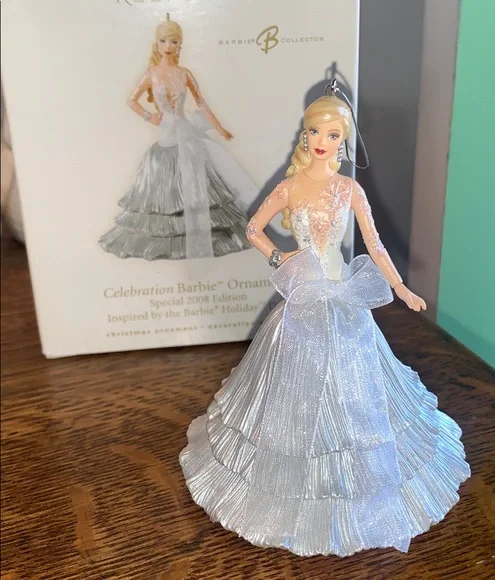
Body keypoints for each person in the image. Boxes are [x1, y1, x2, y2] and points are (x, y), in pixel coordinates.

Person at [179, 91, 470, 557]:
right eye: (315, 131)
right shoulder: (290, 187)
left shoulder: (350, 189)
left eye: (332, 134)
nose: (321, 140)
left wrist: (401, 288)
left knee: (356, 383)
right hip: (304, 297)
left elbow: (374, 245)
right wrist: (280, 257)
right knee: (294, 384)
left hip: (342, 294)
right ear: (306, 134)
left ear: (343, 141)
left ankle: (355, 471)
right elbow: (253, 228)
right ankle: (295, 475)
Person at [100, 14, 255, 261]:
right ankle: (167, 238)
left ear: (180, 45)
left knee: (198, 185)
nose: (168, 46)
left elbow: (201, 103)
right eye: (164, 41)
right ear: (157, 43)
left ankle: (201, 234)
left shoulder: (184, 73)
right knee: (162, 186)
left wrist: (219, 128)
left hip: (186, 135)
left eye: (173, 42)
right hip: (166, 136)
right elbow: (131, 100)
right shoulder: (152, 73)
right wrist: (149, 116)